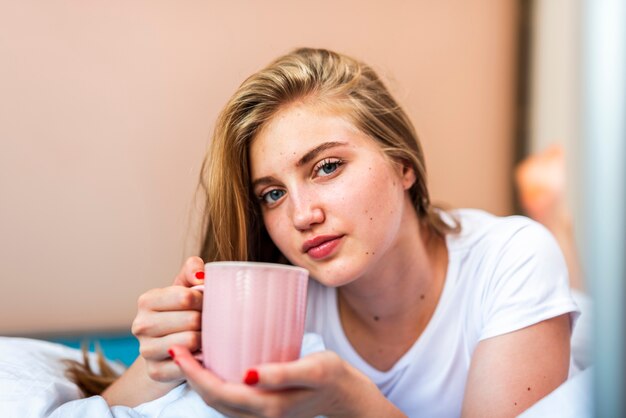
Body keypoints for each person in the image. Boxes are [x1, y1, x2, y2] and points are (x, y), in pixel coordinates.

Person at [70, 48, 580, 417]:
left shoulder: (511, 256)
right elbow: (104, 411)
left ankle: (554, 209)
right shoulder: (278, 299)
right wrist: (160, 358)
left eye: (327, 167)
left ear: (404, 166)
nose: (301, 215)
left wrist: (349, 400)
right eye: (272, 194)